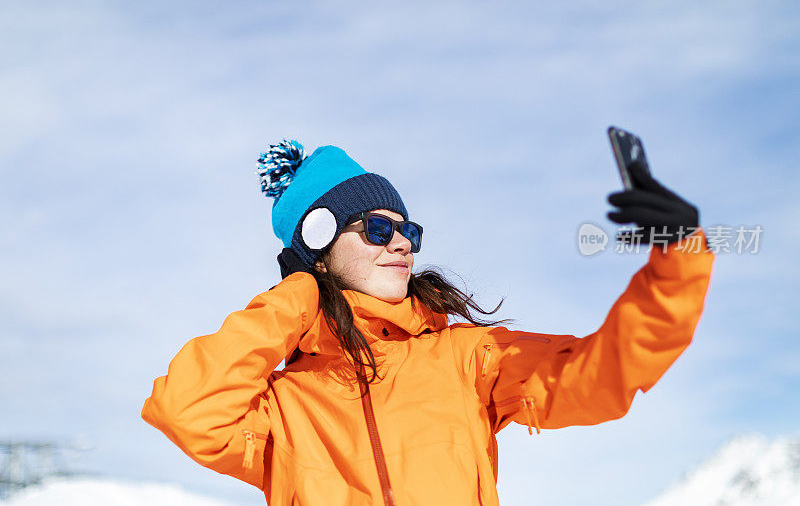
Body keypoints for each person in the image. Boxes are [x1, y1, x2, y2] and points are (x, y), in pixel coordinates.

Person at [142, 140, 714, 505]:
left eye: (408, 231)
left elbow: (601, 377)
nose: (401, 246)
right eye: (376, 229)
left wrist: (678, 260)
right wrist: (300, 294)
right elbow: (185, 410)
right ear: (317, 244)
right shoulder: (284, 407)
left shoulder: (468, 359)